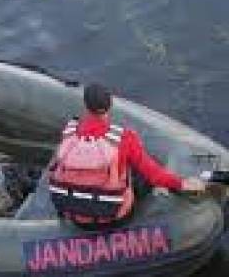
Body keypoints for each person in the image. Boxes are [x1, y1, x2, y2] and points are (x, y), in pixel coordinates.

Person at [49, 83, 207, 227]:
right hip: (115, 215)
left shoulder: (69, 132)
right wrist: (183, 184)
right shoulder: (124, 138)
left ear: (85, 106)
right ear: (110, 105)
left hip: (75, 217)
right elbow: (154, 175)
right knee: (141, 171)